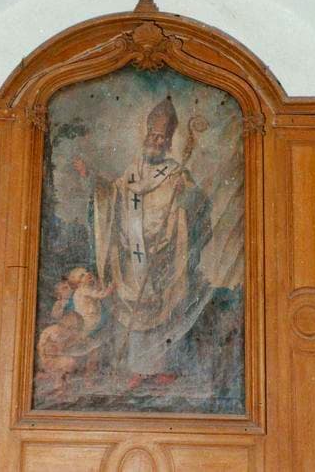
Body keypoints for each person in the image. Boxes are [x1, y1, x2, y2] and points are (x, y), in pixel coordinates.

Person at [73, 97, 212, 389]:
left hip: (164, 255)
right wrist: (93, 179)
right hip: (132, 252)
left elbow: (198, 202)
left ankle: (161, 368)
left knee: (163, 309)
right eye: (153, 134)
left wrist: (184, 192)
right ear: (146, 135)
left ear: (169, 141)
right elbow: (114, 193)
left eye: (162, 137)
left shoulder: (176, 171)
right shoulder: (133, 170)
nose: (156, 140)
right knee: (135, 309)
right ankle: (138, 369)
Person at [36, 312, 87, 391]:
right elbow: (42, 351)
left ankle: (61, 384)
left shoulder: (77, 338)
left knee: (70, 363)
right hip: (47, 362)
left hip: (59, 364)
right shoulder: (51, 333)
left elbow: (78, 351)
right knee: (68, 362)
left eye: (74, 328)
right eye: (65, 326)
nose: (67, 330)